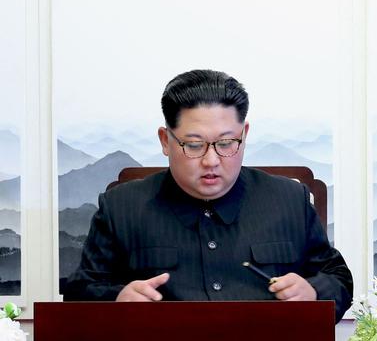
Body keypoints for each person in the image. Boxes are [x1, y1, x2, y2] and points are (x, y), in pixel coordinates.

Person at [63, 69, 353, 322]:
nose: (211, 160)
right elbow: (79, 292)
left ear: (244, 134)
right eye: (194, 145)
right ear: (166, 140)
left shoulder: (289, 200)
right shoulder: (122, 207)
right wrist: (117, 299)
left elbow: (337, 277)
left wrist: (313, 291)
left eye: (226, 143)